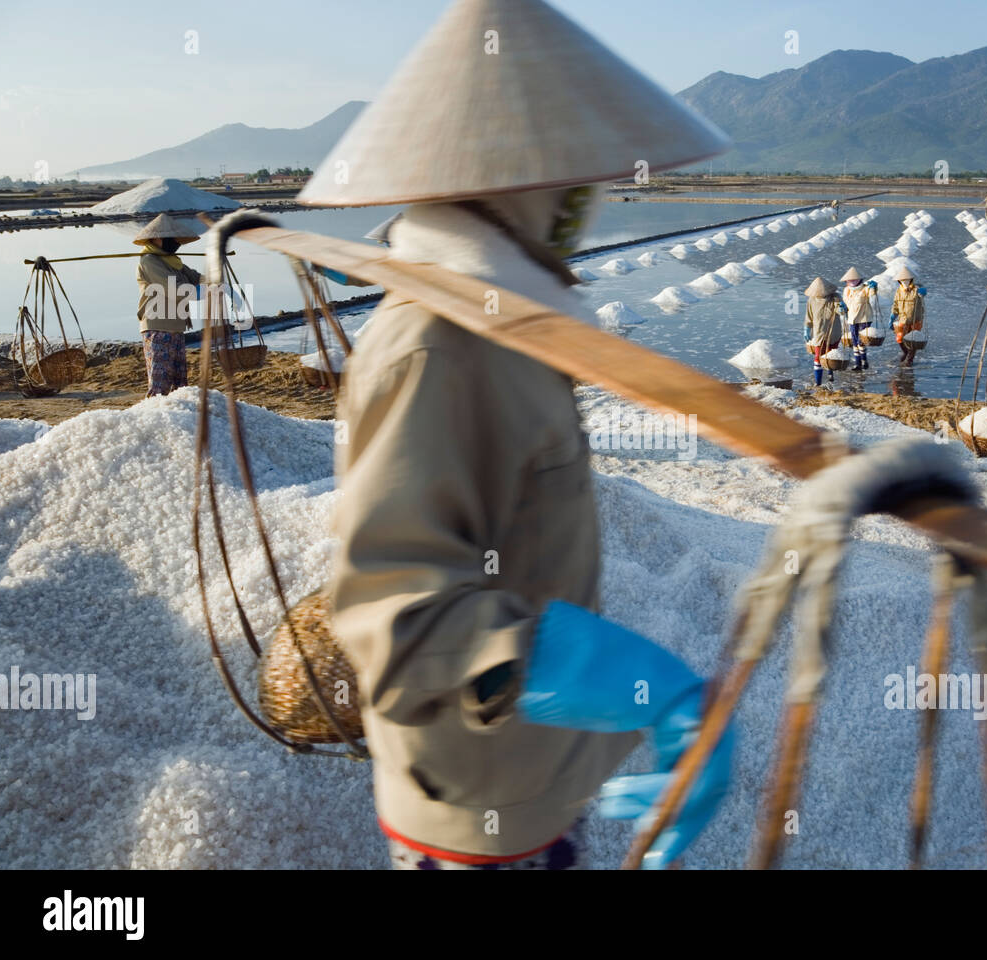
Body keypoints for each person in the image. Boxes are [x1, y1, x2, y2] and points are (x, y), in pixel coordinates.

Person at [301, 0, 734, 871]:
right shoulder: (433, 347)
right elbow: (401, 618)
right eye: (574, 171)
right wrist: (613, 673)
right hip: (470, 815)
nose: (591, 195)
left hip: (529, 776)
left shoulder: (505, 320)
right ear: (516, 178)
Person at [133, 213, 204, 397]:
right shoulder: (149, 261)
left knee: (179, 384)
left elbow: (197, 278)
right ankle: (154, 421)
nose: (175, 242)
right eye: (170, 239)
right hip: (158, 327)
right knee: (160, 384)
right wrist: (203, 292)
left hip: (176, 326)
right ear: (156, 239)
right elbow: (176, 290)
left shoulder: (173, 262)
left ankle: (179, 417)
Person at [805, 276, 844, 384]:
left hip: (833, 332)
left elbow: (841, 311)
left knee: (830, 356)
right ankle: (818, 383)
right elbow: (809, 316)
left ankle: (830, 375)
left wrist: (842, 309)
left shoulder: (835, 297)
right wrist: (807, 328)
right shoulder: (812, 300)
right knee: (818, 357)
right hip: (819, 332)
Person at [888, 265, 926, 366]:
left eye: (907, 279)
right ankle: (906, 352)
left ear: (911, 279)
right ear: (899, 281)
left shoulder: (916, 289)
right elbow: (896, 304)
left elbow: (922, 292)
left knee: (913, 340)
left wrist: (922, 292)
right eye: (902, 280)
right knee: (900, 338)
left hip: (916, 319)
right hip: (903, 319)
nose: (905, 281)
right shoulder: (899, 291)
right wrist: (892, 316)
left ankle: (910, 359)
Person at [840, 266, 876, 370]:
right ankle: (858, 363)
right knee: (855, 341)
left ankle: (864, 360)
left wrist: (874, 287)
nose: (851, 281)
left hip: (864, 318)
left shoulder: (865, 288)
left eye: (854, 279)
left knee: (861, 341)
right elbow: (846, 305)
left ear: (859, 279)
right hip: (851, 319)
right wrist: (842, 309)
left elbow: (873, 296)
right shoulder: (846, 290)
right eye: (849, 280)